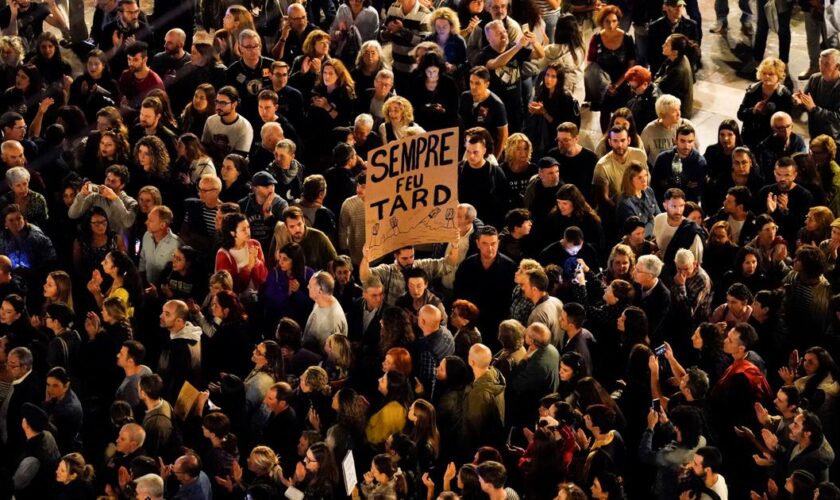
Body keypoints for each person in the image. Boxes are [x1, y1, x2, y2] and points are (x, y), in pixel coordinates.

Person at [584, 5, 635, 132]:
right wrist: (605, 85)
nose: (611, 25)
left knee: (623, 115)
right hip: (603, 84)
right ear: (602, 22)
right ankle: (606, 138)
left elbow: (631, 65)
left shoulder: (627, 38)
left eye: (614, 21)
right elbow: (590, 63)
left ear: (618, 21)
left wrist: (616, 85)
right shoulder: (596, 39)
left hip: (622, 81)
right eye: (607, 21)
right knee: (604, 113)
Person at [795, 49, 840, 143]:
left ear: (838, 66)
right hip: (815, 135)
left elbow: (837, 118)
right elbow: (804, 107)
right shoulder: (814, 79)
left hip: (835, 141)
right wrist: (798, 102)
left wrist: (814, 109)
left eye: (827, 64)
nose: (822, 67)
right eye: (821, 63)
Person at [653, 34, 696, 117]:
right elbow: (660, 71)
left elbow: (660, 87)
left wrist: (656, 80)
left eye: (666, 45)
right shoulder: (675, 57)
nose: (663, 46)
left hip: (679, 112)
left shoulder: (678, 70)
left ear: (675, 52)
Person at [303, 271, 348, 349]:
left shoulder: (332, 321)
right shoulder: (320, 301)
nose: (307, 287)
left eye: (310, 286)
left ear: (320, 291)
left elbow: (329, 354)